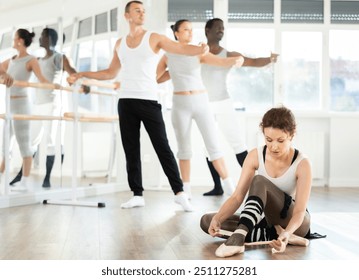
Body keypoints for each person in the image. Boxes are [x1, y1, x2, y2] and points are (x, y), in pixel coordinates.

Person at [68, 1, 209, 212]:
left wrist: (199, 48)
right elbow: (110, 73)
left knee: (162, 146)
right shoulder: (119, 43)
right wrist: (82, 74)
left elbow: (179, 48)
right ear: (127, 16)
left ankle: (179, 193)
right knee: (131, 149)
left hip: (149, 100)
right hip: (125, 101)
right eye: (137, 10)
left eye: (144, 11)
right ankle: (137, 194)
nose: (142, 13)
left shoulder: (154, 38)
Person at [200, 106, 312, 257]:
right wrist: (218, 218)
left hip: (295, 222)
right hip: (268, 220)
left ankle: (240, 237)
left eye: (280, 140)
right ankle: (271, 234)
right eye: (268, 139)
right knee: (207, 221)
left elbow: (299, 212)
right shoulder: (255, 155)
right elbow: (237, 196)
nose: (273, 146)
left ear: (291, 135)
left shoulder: (302, 163)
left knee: (259, 180)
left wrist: (287, 232)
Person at [156, 19, 244, 199]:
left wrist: (238, 59)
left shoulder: (199, 51)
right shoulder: (167, 55)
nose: (190, 33)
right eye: (186, 29)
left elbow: (221, 62)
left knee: (214, 146)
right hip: (180, 104)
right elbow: (158, 78)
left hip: (201, 101)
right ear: (176, 33)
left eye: (191, 30)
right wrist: (174, 69)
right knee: (184, 149)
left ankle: (230, 188)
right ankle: (185, 191)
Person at [201, 18, 279, 196]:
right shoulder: (198, 53)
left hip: (223, 103)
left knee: (237, 143)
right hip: (204, 105)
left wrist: (270, 59)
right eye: (218, 28)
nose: (221, 30)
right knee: (208, 147)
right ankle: (217, 187)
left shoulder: (228, 54)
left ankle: (259, 184)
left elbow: (251, 61)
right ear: (207, 30)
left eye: (223, 28)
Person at [9, 28, 89, 188]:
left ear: (50, 39)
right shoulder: (37, 60)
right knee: (31, 140)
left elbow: (72, 71)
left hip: (53, 104)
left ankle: (47, 178)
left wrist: (82, 82)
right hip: (38, 103)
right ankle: (21, 175)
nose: (40, 38)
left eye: (43, 35)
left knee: (51, 141)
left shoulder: (60, 57)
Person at [0, 28, 50, 192]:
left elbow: (41, 79)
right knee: (5, 143)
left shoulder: (31, 60)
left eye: (14, 38)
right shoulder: (11, 60)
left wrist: (52, 86)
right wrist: (4, 75)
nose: (13, 41)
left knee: (23, 143)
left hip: (22, 105)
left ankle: (26, 181)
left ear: (20, 41)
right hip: (9, 105)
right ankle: (2, 176)